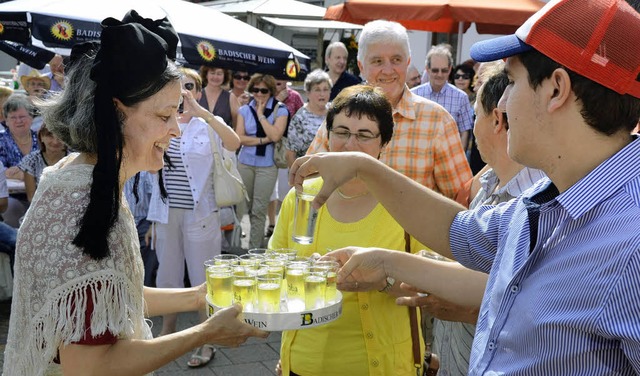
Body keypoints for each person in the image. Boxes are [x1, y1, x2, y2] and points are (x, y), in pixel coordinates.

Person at [290, 0, 640, 374]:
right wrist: (366, 176)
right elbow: (463, 234)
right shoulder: (551, 197)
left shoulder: (630, 241)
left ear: (556, 89)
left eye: (512, 82)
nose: (500, 103)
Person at [3, 12, 267, 376]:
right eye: (164, 116)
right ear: (116, 113)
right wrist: (203, 333)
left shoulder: (77, 178)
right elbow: (90, 367)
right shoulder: (85, 202)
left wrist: (198, 295)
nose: (175, 130)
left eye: (176, 114)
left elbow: (114, 296)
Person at [271, 85, 427, 376]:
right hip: (304, 362)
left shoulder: (406, 201)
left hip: (382, 366)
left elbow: (429, 288)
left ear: (384, 143)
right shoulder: (302, 196)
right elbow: (274, 267)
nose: (350, 144)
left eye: (364, 135)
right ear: (327, 136)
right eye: (341, 132)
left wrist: (381, 280)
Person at [426, 70, 546, 376]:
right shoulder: (487, 183)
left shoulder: (536, 206)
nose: (472, 126)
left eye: (475, 114)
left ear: (496, 119)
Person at [308, 20, 471, 201]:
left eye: (396, 60)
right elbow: (309, 182)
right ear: (361, 66)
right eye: (377, 61)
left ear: (407, 62)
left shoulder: (437, 121)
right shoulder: (341, 114)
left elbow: (461, 200)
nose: (387, 70)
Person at [147, 66, 241, 367]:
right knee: (168, 275)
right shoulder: (160, 122)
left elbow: (234, 143)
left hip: (201, 213)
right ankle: (168, 329)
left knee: (203, 278)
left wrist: (202, 113)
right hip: (165, 213)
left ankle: (208, 338)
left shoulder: (208, 124)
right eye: (178, 87)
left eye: (189, 86)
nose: (183, 93)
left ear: (198, 92)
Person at [235, 73, 288, 249]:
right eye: (255, 90)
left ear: (271, 91)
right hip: (245, 163)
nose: (259, 94)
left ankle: (254, 250)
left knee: (259, 210)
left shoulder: (280, 110)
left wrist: (261, 116)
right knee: (243, 207)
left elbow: (275, 135)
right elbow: (240, 138)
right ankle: (237, 247)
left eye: (263, 90)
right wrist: (262, 140)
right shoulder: (243, 110)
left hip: (267, 165)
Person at [412, 45, 475, 155]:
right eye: (435, 70)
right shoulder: (414, 94)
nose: (440, 75)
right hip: (418, 156)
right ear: (427, 69)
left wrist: (459, 157)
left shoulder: (461, 97)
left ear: (450, 69)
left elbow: (464, 132)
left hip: (449, 158)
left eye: (444, 70)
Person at [267, 79, 305, 237]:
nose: (278, 83)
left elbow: (301, 117)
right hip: (267, 145)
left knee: (284, 189)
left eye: (281, 80)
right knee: (270, 191)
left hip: (285, 148)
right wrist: (277, 101)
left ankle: (284, 225)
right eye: (275, 80)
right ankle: (271, 223)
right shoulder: (266, 93)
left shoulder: (295, 96)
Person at [0, 94, 38, 227]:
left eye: (22, 117)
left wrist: (21, 173)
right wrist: (30, 173)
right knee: (11, 209)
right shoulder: (1, 141)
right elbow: (2, 171)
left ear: (31, 118)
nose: (18, 121)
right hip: (11, 197)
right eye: (13, 117)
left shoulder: (43, 138)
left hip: (42, 193)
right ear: (6, 121)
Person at [285, 69, 332, 165]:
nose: (322, 94)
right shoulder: (299, 118)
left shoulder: (334, 112)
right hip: (308, 173)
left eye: (325, 89)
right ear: (308, 93)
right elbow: (290, 155)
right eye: (317, 89)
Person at [19, 123, 69, 202]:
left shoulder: (74, 159)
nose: (55, 141)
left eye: (60, 137)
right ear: (41, 137)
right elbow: (31, 198)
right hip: (40, 207)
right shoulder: (31, 161)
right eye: (50, 136)